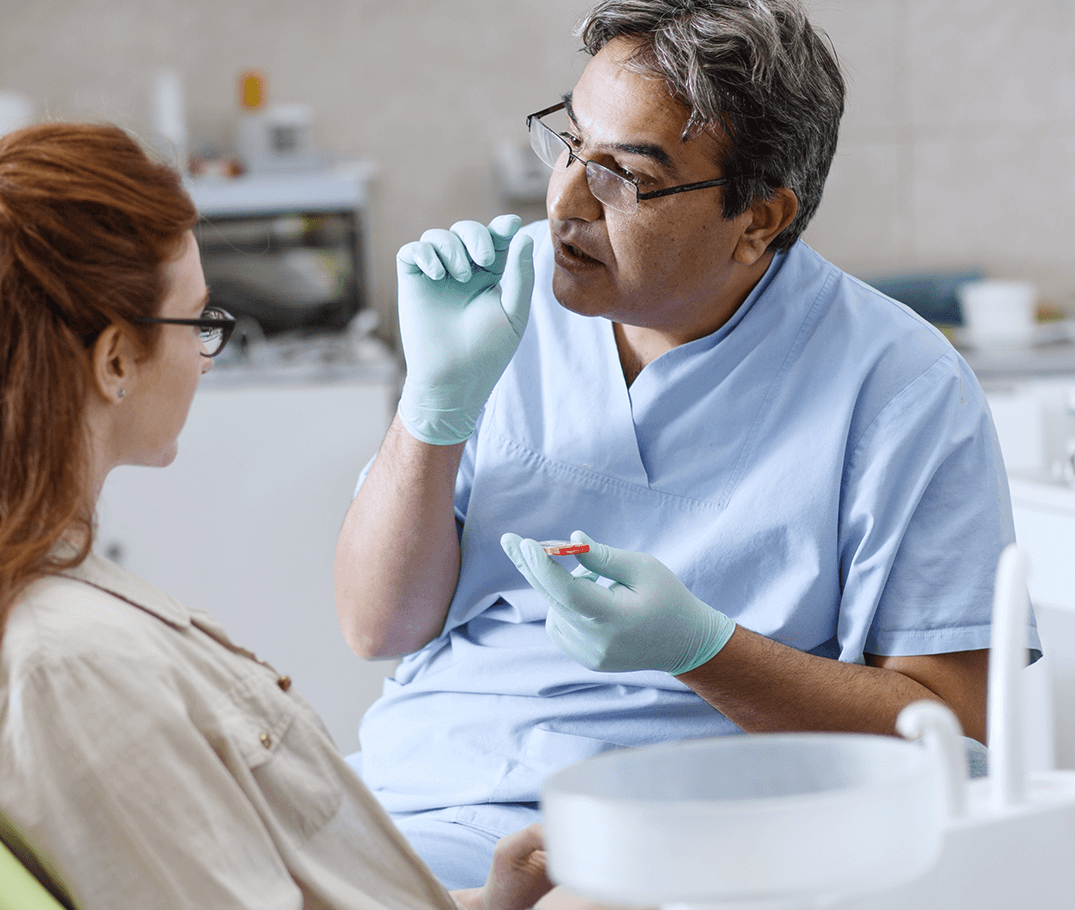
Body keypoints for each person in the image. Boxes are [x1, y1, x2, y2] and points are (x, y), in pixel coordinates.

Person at [334, 0, 1034, 889]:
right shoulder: (505, 308)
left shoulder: (899, 386)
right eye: (570, 143)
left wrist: (702, 649)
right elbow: (376, 626)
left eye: (625, 176)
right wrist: (431, 410)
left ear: (758, 220)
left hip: (669, 838)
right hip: (414, 800)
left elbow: (953, 737)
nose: (566, 200)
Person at [0, 121, 558, 910]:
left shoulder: (20, 602)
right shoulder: (68, 668)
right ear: (115, 360)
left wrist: (488, 902)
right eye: (199, 322)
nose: (207, 356)